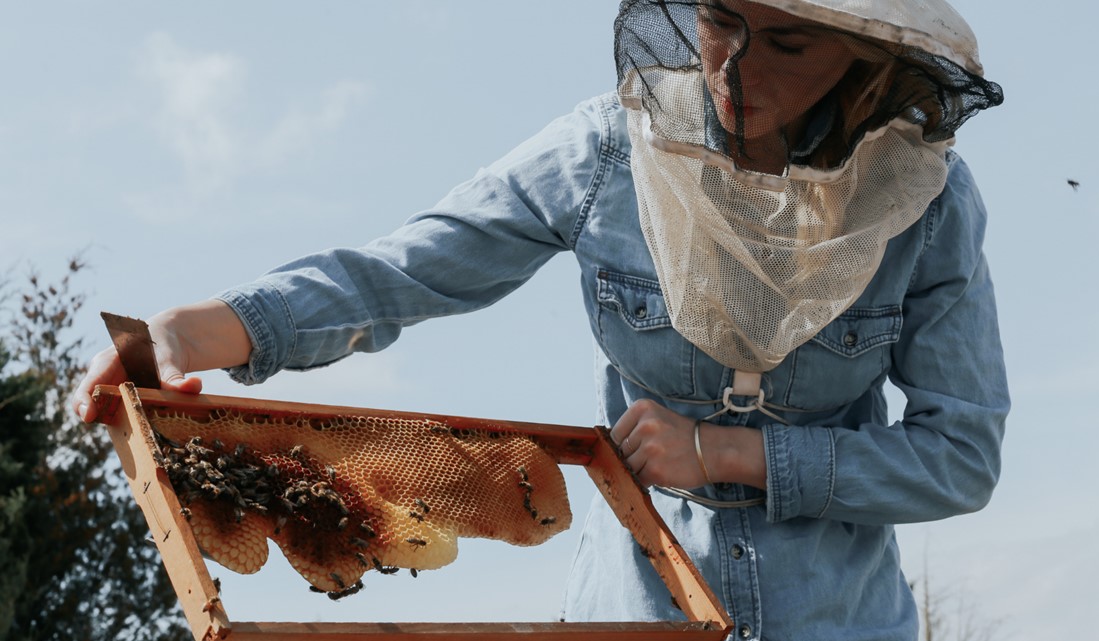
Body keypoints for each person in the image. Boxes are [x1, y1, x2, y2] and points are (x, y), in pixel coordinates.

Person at [73, 0, 1008, 639]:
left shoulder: (926, 201)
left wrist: (733, 455)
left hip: (842, 620)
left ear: (863, 53)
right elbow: (401, 272)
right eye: (722, 17)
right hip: (637, 610)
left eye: (788, 43)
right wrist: (192, 334)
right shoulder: (608, 151)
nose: (737, 62)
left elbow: (960, 454)